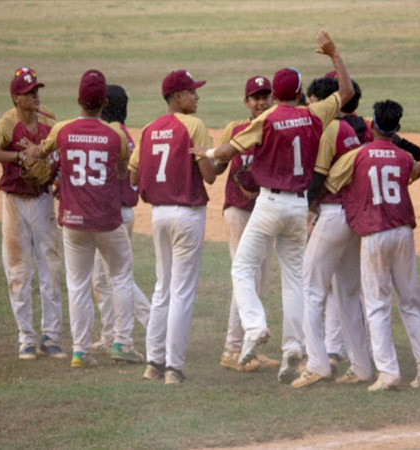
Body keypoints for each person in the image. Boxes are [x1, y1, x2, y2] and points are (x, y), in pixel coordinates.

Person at [197, 30, 354, 384]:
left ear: (275, 94)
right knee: (294, 280)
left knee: (242, 269)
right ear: (299, 92)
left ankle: (254, 327)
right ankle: (292, 348)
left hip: (268, 205)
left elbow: (227, 153)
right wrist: (334, 55)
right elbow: (346, 92)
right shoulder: (315, 114)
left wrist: (204, 153)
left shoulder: (266, 120)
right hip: (299, 207)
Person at [324, 100, 420, 392]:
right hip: (402, 231)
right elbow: (418, 168)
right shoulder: (402, 156)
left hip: (374, 233)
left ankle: (388, 372)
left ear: (372, 125)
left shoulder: (359, 155)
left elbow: (332, 182)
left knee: (377, 305)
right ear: (397, 128)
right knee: (411, 302)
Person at [32, 70, 143, 368]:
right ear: (104, 102)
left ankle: (80, 351)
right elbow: (121, 172)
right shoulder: (115, 135)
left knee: (78, 284)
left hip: (72, 219)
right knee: (120, 276)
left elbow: (41, 155)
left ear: (78, 99)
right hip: (107, 218)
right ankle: (122, 342)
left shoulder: (63, 130)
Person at [130, 69, 216, 384]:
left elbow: (133, 176)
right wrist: (217, 160)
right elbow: (209, 175)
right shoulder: (193, 125)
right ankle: (173, 368)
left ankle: (153, 363)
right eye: (192, 91)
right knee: (181, 291)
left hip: (159, 215)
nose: (197, 96)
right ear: (176, 97)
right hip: (187, 214)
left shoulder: (150, 128)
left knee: (162, 287)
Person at [0, 67, 65, 360]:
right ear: (17, 97)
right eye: (29, 92)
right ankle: (25, 338)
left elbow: (56, 158)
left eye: (37, 90)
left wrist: (56, 179)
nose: (36, 95)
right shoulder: (7, 123)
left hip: (42, 201)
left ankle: (51, 336)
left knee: (51, 266)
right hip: (14, 202)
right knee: (18, 271)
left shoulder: (46, 123)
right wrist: (19, 155)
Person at [292, 76, 372, 388]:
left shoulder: (327, 129)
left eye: (311, 102)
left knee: (311, 288)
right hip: (351, 215)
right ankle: (361, 366)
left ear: (320, 102)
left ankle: (317, 364)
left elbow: (316, 181)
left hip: (332, 214)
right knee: (348, 292)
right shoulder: (349, 129)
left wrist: (304, 208)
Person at [216, 75, 279, 372]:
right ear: (246, 102)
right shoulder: (235, 128)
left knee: (257, 279)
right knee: (245, 278)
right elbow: (218, 165)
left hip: (264, 213)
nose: (261, 101)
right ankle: (232, 348)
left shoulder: (276, 127)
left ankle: (246, 349)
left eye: (266, 95)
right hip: (239, 212)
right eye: (256, 96)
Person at [91, 84, 152, 354]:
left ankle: (154, 324)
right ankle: (108, 336)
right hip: (123, 213)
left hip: (112, 215)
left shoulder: (109, 134)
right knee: (102, 279)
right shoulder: (124, 134)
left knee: (118, 278)